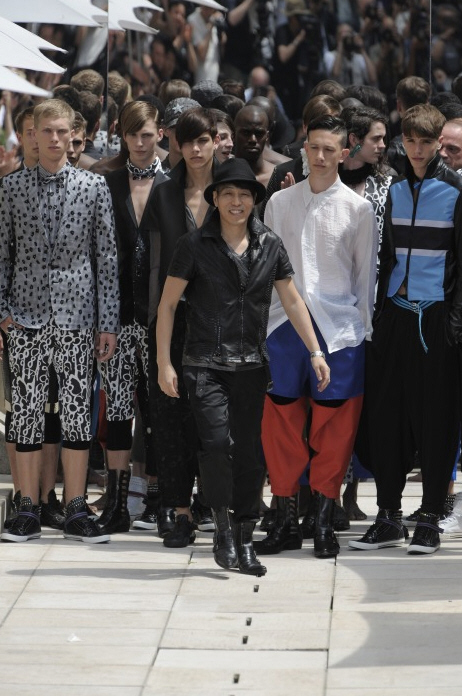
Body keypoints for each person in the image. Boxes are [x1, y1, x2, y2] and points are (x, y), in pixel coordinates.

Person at [156, 157, 330, 575]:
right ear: (215, 199)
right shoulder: (193, 245)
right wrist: (164, 362)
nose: (236, 202)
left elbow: (292, 300)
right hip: (204, 363)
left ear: (255, 200)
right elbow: (167, 305)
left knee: (250, 454)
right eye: (228, 194)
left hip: (252, 364)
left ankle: (245, 535)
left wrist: (315, 351)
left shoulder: (270, 244)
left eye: (244, 195)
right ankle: (221, 526)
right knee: (217, 445)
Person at [257, 115, 378, 559]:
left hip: (340, 330)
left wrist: (362, 330)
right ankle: (285, 519)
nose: (321, 157)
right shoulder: (279, 202)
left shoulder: (358, 209)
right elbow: (268, 268)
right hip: (282, 326)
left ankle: (325, 519)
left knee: (335, 428)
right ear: (304, 148)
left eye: (330, 149)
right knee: (280, 426)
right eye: (315, 147)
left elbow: (365, 278)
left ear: (344, 154)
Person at [0, 99, 119, 544]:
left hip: (78, 318)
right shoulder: (11, 188)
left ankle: (75, 506)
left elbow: (107, 258)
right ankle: (27, 507)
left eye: (61, 131)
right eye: (45, 130)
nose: (53, 138)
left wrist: (107, 323)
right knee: (26, 413)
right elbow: (1, 253)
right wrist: (2, 311)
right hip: (25, 318)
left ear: (73, 135)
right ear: (32, 134)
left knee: (76, 414)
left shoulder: (94, 186)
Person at [349, 104, 462, 555]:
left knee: (437, 421)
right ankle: (388, 516)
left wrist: (454, 324)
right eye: (410, 141)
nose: (417, 150)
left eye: (425, 142)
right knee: (387, 418)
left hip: (437, 317)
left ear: (438, 144)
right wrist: (378, 314)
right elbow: (386, 257)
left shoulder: (455, 191)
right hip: (395, 314)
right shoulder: (393, 190)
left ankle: (430, 517)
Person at [149, 106, 219, 547]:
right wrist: (154, 324)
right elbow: (153, 265)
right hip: (171, 317)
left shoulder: (234, 190)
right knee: (170, 417)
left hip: (221, 321)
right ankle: (179, 511)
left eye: (202, 140)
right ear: (177, 143)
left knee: (214, 420)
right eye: (187, 141)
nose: (195, 149)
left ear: (215, 141)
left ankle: (216, 504)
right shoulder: (164, 192)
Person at [98, 100, 167, 535]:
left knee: (160, 407)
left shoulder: (174, 183)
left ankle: (159, 499)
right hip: (117, 314)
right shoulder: (106, 183)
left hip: (161, 316)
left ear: (159, 133)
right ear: (122, 135)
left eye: (146, 134)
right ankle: (118, 503)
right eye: (132, 134)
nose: (140, 143)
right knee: (119, 408)